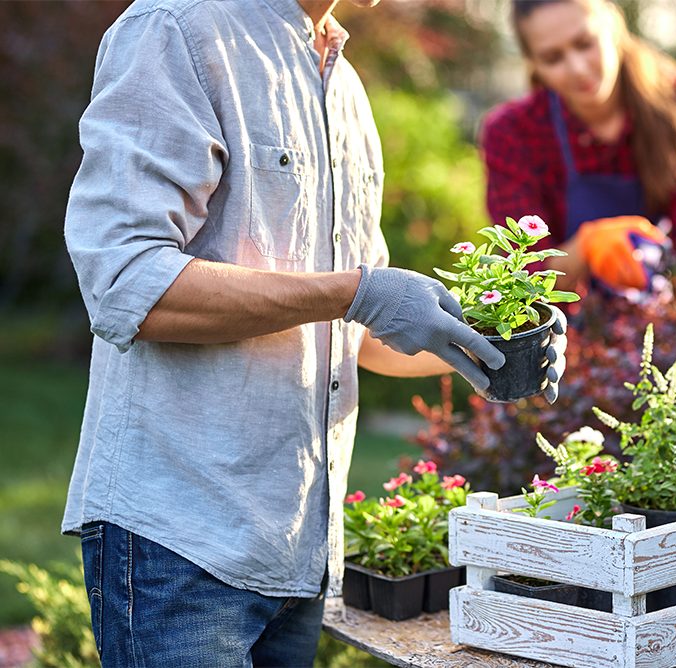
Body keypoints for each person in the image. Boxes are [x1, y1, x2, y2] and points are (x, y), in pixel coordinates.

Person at [60, 0, 565, 664]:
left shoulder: (343, 85)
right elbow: (127, 281)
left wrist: (482, 346)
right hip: (180, 545)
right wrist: (355, 292)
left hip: (296, 555)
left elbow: (354, 334)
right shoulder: (177, 30)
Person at [480, 0, 676, 295]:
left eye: (585, 43)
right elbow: (524, 278)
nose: (577, 68)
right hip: (570, 328)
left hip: (669, 307)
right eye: (552, 58)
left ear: (613, 24)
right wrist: (585, 248)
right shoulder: (511, 134)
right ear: (533, 63)